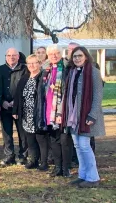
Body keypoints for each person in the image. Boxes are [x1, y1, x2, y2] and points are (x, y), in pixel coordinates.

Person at [63, 47, 105, 188]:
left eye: (80, 56)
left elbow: (98, 96)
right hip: (74, 116)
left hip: (86, 117)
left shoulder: (93, 72)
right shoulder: (72, 72)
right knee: (77, 146)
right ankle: (83, 175)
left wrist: (92, 115)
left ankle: (93, 178)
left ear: (86, 56)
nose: (77, 59)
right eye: (74, 56)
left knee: (85, 146)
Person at [12, 54, 49, 171]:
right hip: (26, 114)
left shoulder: (43, 77)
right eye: (29, 63)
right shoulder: (25, 78)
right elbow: (18, 95)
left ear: (39, 63)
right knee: (30, 140)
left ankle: (44, 162)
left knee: (41, 139)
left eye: (34, 63)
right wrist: (15, 110)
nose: (32, 65)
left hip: (38, 114)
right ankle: (33, 160)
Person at [42, 45, 73, 177]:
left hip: (63, 110)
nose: (54, 56)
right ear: (48, 56)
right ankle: (57, 167)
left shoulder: (67, 69)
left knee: (65, 140)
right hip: (49, 110)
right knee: (54, 140)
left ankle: (66, 168)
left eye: (57, 53)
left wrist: (62, 111)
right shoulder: (46, 70)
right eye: (51, 54)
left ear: (61, 54)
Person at [0, 48, 28, 166]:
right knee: (6, 132)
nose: (11, 57)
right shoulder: (0, 69)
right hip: (5, 106)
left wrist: (16, 102)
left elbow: (26, 87)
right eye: (9, 55)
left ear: (18, 56)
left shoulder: (24, 69)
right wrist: (2, 101)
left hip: (20, 107)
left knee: (22, 132)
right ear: (6, 57)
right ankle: (9, 156)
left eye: (14, 55)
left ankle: (23, 156)